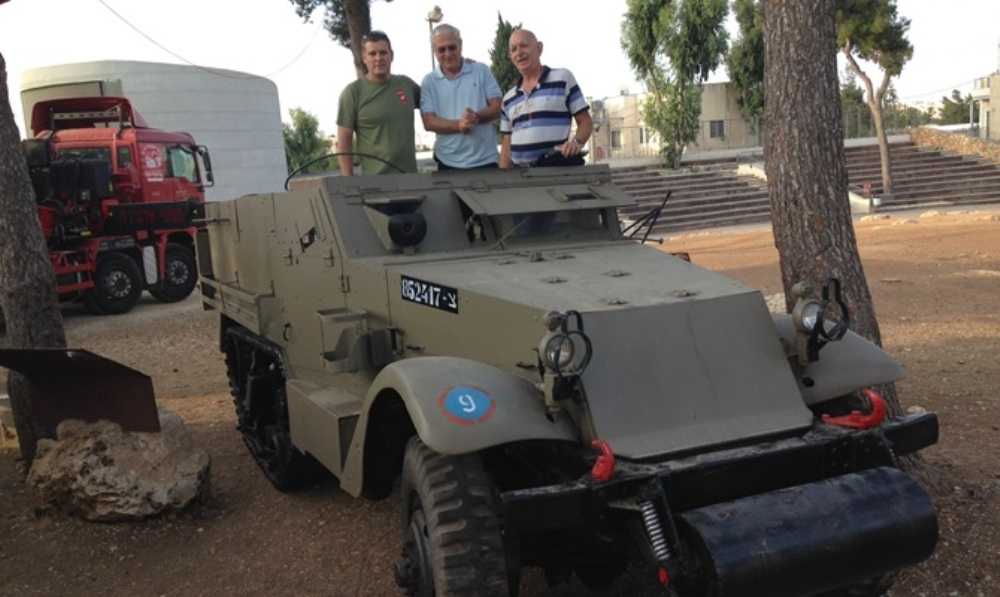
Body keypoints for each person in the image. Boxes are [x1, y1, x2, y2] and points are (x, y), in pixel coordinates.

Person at [499, 29, 593, 168]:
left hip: (555, 172)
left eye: (524, 45)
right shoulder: (508, 99)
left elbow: (585, 121)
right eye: (514, 49)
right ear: (510, 56)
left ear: (539, 48)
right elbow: (507, 142)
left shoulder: (563, 78)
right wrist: (503, 180)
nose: (519, 52)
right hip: (519, 177)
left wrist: (576, 143)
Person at [336, 31, 420, 175]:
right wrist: (348, 184)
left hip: (410, 179)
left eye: (383, 53)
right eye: (372, 54)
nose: (378, 58)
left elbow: (437, 104)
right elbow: (344, 145)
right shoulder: (352, 93)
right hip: (374, 184)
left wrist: (462, 66)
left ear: (391, 55)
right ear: (364, 58)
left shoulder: (407, 85)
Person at [420, 24, 503, 170]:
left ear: (461, 45)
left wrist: (475, 117)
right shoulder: (429, 81)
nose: (447, 53)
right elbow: (429, 122)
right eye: (441, 49)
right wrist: (459, 125)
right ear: (434, 51)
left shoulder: (481, 70)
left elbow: (497, 107)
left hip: (485, 161)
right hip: (447, 162)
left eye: (452, 47)